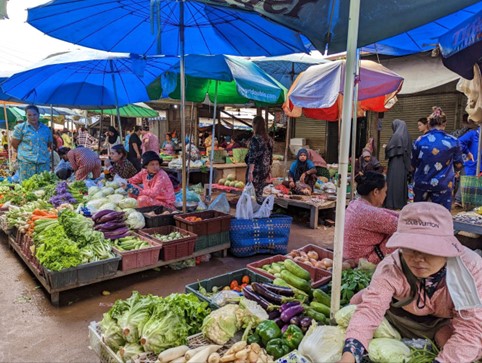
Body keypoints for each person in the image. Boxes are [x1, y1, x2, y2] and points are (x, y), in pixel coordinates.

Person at [339, 202, 482, 363]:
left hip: (443, 320)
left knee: (466, 345)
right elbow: (370, 311)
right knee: (358, 304)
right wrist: (349, 356)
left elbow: (470, 329)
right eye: (409, 247)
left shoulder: (470, 270)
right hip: (399, 314)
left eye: (429, 249)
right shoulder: (392, 266)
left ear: (447, 248)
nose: (418, 258)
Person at [412, 107, 463, 211]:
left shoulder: (419, 140)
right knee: (441, 217)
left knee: (419, 216)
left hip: (422, 184)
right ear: (444, 124)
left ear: (429, 124)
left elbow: (413, 163)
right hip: (443, 185)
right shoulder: (453, 141)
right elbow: (459, 164)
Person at [344, 171, 399, 264]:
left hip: (349, 255)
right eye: (385, 192)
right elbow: (401, 225)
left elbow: (384, 213)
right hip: (361, 261)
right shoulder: (370, 213)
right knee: (402, 234)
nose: (385, 195)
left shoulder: (356, 203)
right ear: (376, 192)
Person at [11, 105, 53, 181]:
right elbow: (14, 144)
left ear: (38, 115)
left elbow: (49, 143)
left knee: (43, 186)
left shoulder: (46, 129)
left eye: (34, 114)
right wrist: (25, 153)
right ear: (26, 115)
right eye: (29, 115)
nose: (32, 117)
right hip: (26, 163)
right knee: (27, 187)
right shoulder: (20, 128)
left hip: (43, 163)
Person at [245, 116, 273, 202]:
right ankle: (260, 211)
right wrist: (269, 171)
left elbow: (252, 157)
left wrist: (250, 172)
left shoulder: (255, 139)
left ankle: (252, 212)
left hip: (256, 171)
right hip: (264, 170)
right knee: (261, 193)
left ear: (255, 125)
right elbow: (270, 157)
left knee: (251, 194)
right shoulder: (269, 140)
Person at [385, 119, 412, 210]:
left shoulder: (396, 136)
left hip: (395, 163)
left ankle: (392, 203)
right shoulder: (407, 136)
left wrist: (386, 146)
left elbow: (390, 149)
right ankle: (400, 203)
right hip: (403, 164)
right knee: (401, 184)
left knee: (393, 183)